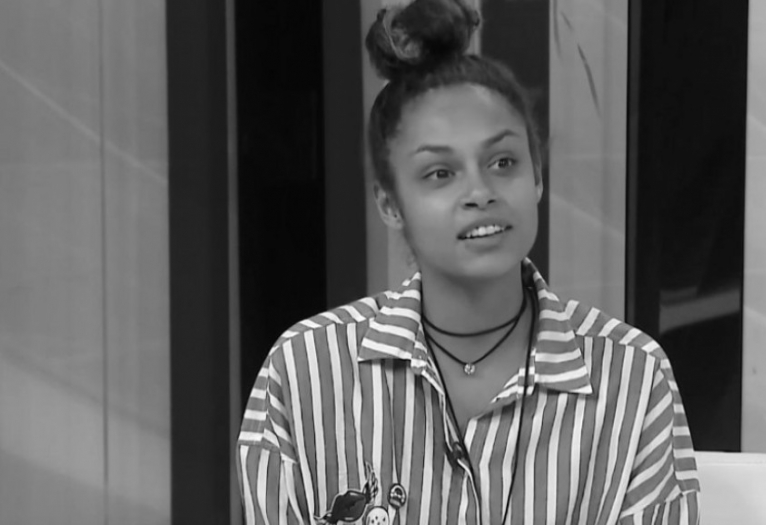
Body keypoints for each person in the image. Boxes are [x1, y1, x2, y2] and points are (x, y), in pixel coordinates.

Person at [237, 0, 700, 523]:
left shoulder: (633, 377)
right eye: (440, 173)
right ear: (390, 203)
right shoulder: (303, 371)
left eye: (503, 162)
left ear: (537, 176)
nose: (480, 192)